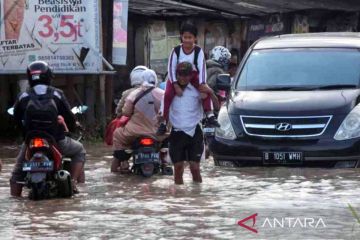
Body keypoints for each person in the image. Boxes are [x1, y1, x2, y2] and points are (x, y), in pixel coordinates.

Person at [10, 61, 86, 196]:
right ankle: (73, 183)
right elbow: (69, 116)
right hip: (56, 140)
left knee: (17, 173)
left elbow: (16, 121)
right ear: (48, 76)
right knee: (79, 150)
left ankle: (15, 198)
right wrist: (73, 127)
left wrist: (25, 136)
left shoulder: (23, 96)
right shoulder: (57, 94)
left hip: (31, 141)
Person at [157, 22, 220, 135]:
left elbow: (202, 68)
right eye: (185, 37)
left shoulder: (198, 51)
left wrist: (202, 83)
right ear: (181, 37)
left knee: (205, 91)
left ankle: (209, 115)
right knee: (167, 95)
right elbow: (171, 68)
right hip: (178, 76)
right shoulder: (175, 51)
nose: (187, 40)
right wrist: (175, 85)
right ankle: (163, 122)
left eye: (190, 37)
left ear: (195, 38)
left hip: (192, 75)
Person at [167, 62, 219, 185]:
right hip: (176, 133)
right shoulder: (170, 92)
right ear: (176, 75)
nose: (183, 78)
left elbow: (216, 106)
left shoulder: (198, 90)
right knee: (178, 169)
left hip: (194, 132)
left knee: (195, 168)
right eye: (180, 75)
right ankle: (179, 197)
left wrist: (210, 92)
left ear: (191, 76)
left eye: (186, 75)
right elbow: (162, 108)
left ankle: (197, 196)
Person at [111, 69, 166, 173]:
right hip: (157, 133)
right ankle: (165, 161)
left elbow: (126, 113)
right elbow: (169, 113)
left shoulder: (133, 94)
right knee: (169, 136)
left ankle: (124, 161)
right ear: (155, 80)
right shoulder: (163, 94)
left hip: (134, 132)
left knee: (117, 134)